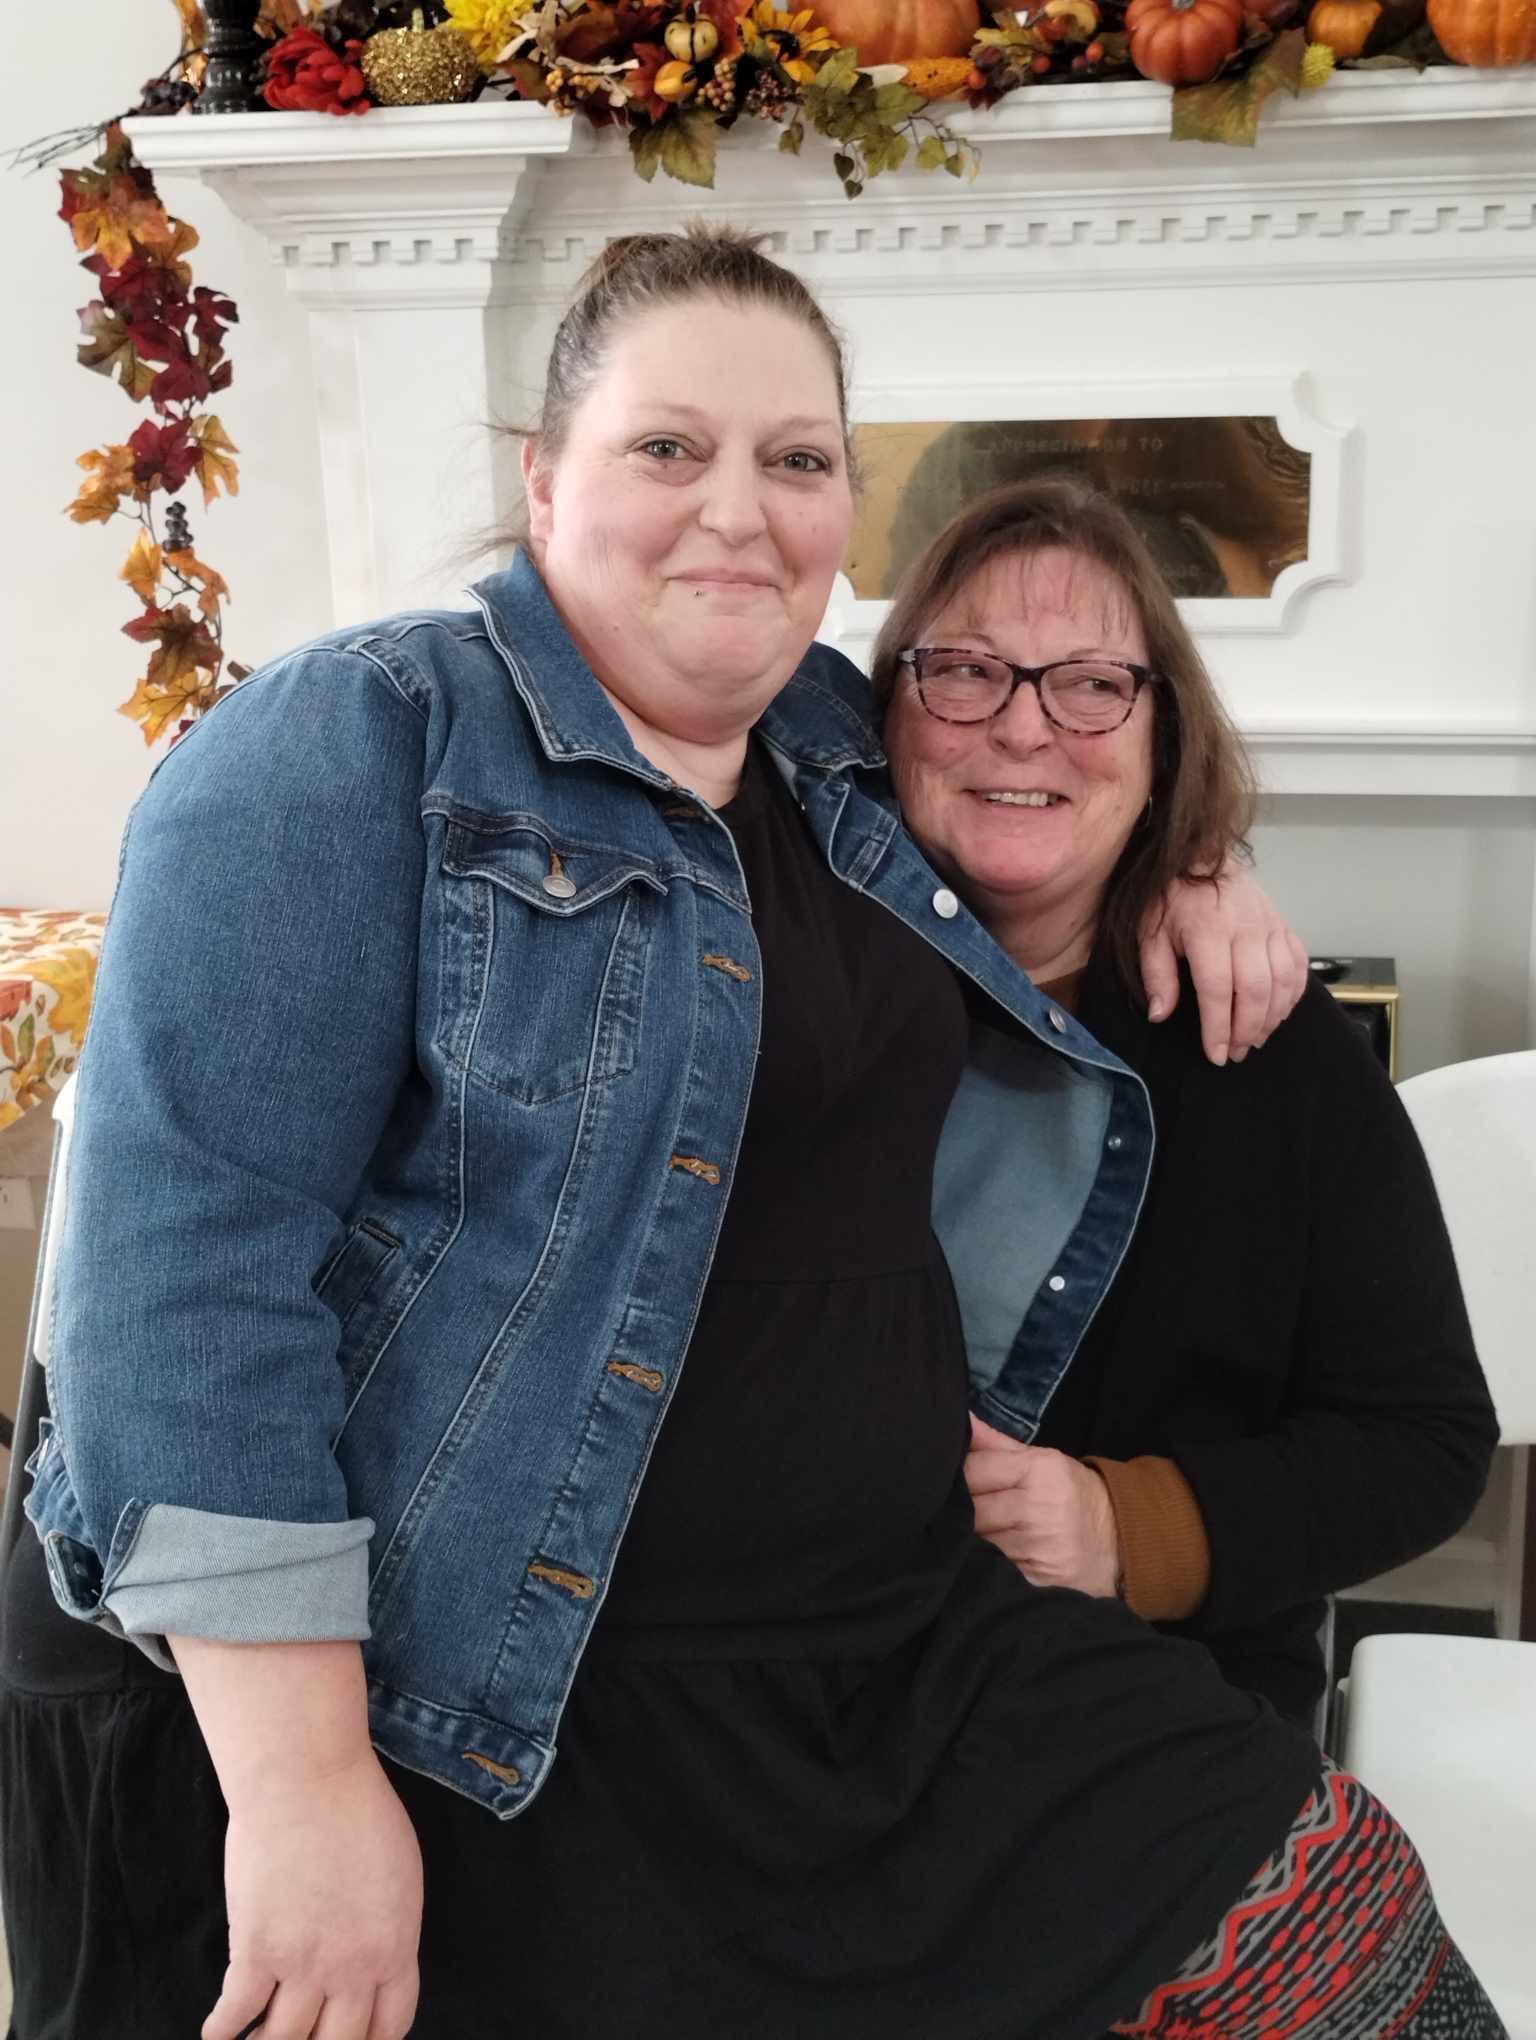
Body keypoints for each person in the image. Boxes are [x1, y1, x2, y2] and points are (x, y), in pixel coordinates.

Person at [0, 229, 1502, 2040]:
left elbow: (1053, 749)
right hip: (510, 1682)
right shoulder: (351, 742)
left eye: (795, 461)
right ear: (545, 477)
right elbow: (186, 1280)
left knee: (1337, 1928)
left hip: (892, 1658)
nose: (737, 509)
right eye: (668, 448)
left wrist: (1199, 851)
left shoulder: (833, 753)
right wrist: (306, 1787)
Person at [874, 475, 1500, 1734]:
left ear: (1162, 739)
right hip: (824, 1678)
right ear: (881, 719)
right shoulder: (788, 998)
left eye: (1093, 683)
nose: (1024, 726)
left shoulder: (1268, 1051)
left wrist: (1129, 1526)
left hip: (1157, 1691)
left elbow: (1424, 1442)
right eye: (964, 672)